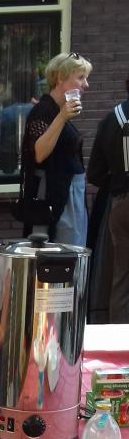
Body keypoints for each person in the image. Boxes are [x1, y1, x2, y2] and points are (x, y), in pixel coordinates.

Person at [20, 52, 92, 246]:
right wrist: (62, 117)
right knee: (59, 253)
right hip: (54, 196)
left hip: (69, 193)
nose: (86, 85)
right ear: (60, 77)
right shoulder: (43, 111)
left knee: (73, 251)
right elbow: (39, 154)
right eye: (81, 78)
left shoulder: (56, 109)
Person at [86, 76, 129, 322]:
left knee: (121, 277)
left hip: (121, 203)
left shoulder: (111, 119)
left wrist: (119, 183)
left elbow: (94, 173)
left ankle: (120, 336)